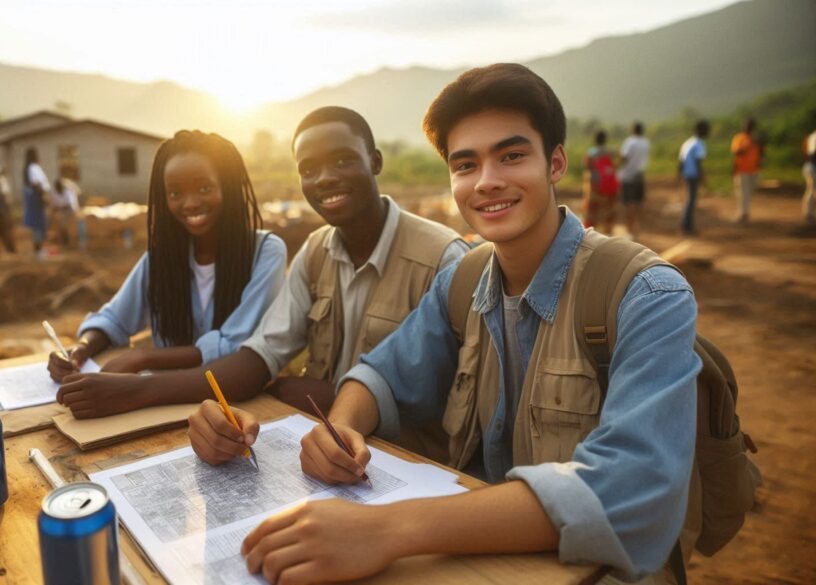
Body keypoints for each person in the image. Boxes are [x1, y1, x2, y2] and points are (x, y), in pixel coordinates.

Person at [225, 64, 700, 585]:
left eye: (512, 155)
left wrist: (389, 530)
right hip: (482, 562)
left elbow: (633, 490)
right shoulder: (464, 278)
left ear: (556, 162)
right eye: (465, 164)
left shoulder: (647, 294)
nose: (488, 181)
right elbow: (382, 373)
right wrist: (342, 427)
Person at [58, 108, 466, 421]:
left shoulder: (442, 259)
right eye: (309, 169)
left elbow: (453, 395)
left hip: (408, 456)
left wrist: (343, 396)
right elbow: (261, 355)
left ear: (375, 161)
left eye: (342, 160)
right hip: (322, 436)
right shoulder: (315, 252)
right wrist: (117, 376)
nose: (324, 178)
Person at [47, 130, 288, 417]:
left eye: (203, 188)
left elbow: (236, 347)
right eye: (175, 193)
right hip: (164, 411)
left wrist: (143, 357)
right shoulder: (161, 261)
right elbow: (113, 319)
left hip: (240, 410)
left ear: (228, 186)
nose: (190, 203)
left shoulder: (265, 252)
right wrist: (81, 350)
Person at [581, 130, 618, 233]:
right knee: (609, 212)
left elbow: (587, 168)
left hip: (595, 188)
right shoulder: (610, 152)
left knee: (591, 213)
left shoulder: (591, 153)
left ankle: (589, 236)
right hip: (610, 187)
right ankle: (608, 233)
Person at [618, 122, 649, 241]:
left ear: (632, 130)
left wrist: (618, 166)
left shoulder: (629, 142)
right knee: (638, 201)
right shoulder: (645, 142)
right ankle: (637, 228)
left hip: (628, 175)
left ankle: (629, 230)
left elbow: (624, 157)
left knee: (629, 203)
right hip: (640, 174)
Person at [679, 120, 710, 235]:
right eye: (706, 129)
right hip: (693, 175)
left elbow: (681, 161)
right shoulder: (699, 143)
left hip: (687, 174)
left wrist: (679, 175)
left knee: (690, 199)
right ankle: (687, 226)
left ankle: (686, 225)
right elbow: (698, 161)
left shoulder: (688, 142)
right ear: (700, 130)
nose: (708, 132)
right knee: (691, 200)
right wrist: (702, 175)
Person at [22, 148, 52, 259]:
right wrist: (43, 197)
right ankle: (38, 251)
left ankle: (39, 250)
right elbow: (36, 184)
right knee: (38, 225)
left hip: (35, 198)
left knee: (38, 225)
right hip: (36, 199)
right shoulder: (33, 168)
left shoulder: (30, 168)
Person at [730, 118, 761, 223]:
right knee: (743, 192)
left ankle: (744, 211)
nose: (749, 128)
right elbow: (737, 152)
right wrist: (748, 144)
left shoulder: (755, 139)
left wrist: (759, 144)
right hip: (742, 170)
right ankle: (743, 213)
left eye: (751, 126)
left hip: (754, 170)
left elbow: (760, 153)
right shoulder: (739, 138)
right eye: (748, 126)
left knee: (750, 191)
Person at [49, 178, 80, 248]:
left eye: (59, 186)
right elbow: (53, 207)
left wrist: (59, 209)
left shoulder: (68, 193)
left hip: (70, 211)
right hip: (61, 212)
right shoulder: (54, 194)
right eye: (57, 187)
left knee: (63, 223)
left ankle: (66, 240)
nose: (58, 188)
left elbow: (69, 206)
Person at [802, 127, 816, 225]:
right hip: (812, 168)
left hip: (810, 167)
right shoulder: (814, 137)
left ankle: (808, 213)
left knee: (811, 190)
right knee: (813, 189)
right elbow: (812, 155)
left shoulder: (811, 136)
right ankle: (808, 213)